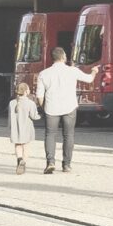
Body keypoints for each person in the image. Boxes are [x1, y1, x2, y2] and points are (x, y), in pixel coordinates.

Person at [34, 46, 83, 174]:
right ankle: (66, 165)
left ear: (53, 58)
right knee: (68, 135)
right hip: (69, 107)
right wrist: (94, 72)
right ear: (63, 57)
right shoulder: (73, 71)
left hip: (51, 107)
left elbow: (39, 95)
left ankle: (50, 162)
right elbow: (89, 79)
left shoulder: (44, 73)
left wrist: (43, 107)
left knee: (50, 134)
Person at [8, 77, 40, 175]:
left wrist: (9, 127)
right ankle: (24, 163)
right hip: (26, 128)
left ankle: (19, 159)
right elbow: (34, 116)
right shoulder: (31, 103)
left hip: (15, 128)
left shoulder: (12, 103)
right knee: (26, 146)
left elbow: (9, 117)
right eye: (29, 89)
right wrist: (40, 116)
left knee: (18, 145)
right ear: (26, 92)